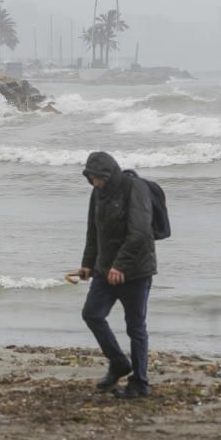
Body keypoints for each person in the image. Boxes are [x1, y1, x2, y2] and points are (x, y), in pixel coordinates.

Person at [79, 151, 157, 399]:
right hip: (105, 270)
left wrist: (120, 266)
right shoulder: (97, 192)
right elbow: (94, 231)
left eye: (99, 178)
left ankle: (140, 383)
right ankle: (119, 363)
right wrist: (87, 263)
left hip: (135, 271)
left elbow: (141, 233)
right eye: (92, 179)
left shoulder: (135, 189)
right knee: (92, 314)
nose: (96, 183)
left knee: (135, 328)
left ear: (110, 173)